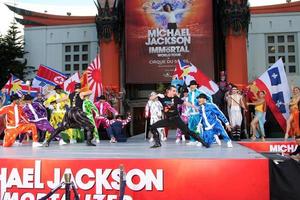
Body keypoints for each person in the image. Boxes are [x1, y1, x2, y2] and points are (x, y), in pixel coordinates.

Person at [187, 80, 214, 145]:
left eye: (193, 85)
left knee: (199, 127)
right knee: (191, 127)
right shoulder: (189, 94)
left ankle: (201, 140)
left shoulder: (200, 92)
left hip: (198, 113)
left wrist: (205, 106)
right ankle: (193, 140)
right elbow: (189, 102)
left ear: (196, 86)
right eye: (190, 85)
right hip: (191, 113)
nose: (191, 86)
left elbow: (209, 98)